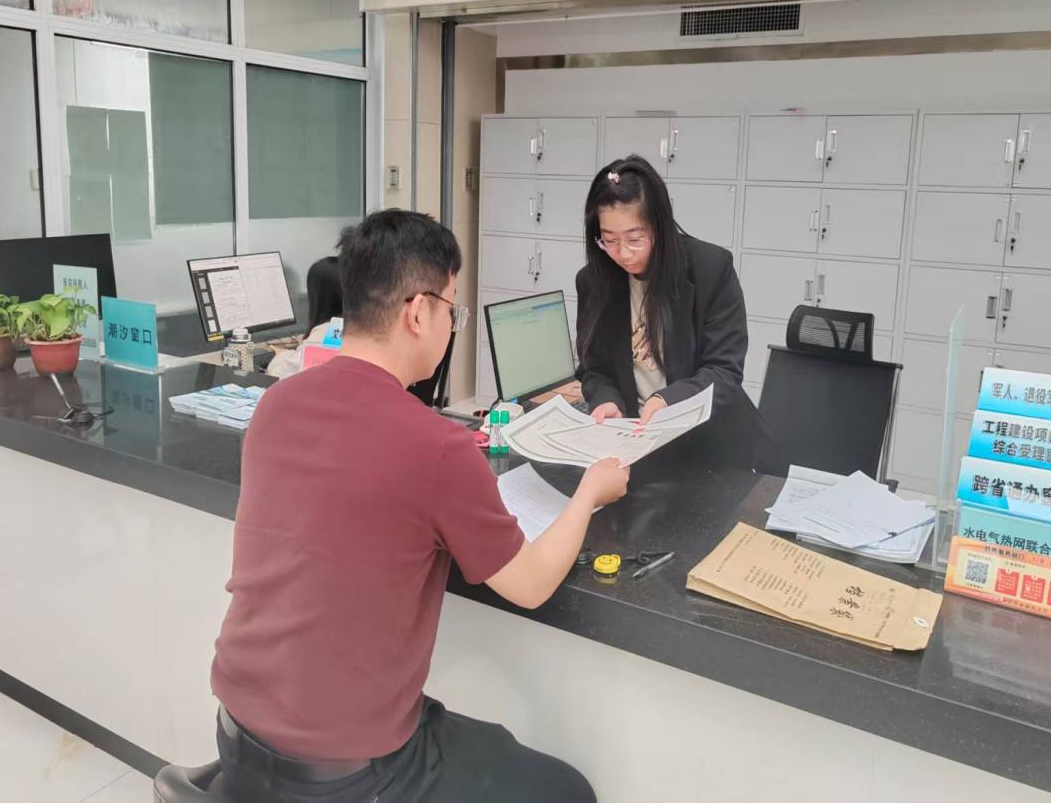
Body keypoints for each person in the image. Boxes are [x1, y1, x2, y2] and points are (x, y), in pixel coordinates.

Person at [211, 209, 628, 802]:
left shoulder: (277, 404)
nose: (452, 325)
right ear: (417, 312)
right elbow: (532, 584)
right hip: (348, 773)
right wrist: (589, 492)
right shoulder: (437, 446)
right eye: (452, 309)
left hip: (236, 733)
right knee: (567, 791)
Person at [575, 154, 748, 427]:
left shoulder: (711, 270)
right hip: (635, 433)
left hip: (702, 433)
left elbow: (724, 370)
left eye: (635, 239)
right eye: (610, 240)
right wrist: (606, 399)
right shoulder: (593, 282)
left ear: (660, 227)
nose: (623, 253)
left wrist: (668, 400)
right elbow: (594, 367)